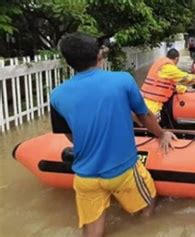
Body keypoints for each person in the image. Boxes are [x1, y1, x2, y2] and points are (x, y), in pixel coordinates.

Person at [50, 32, 177, 237]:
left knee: (92, 230)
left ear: (68, 62)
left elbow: (67, 132)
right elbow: (144, 115)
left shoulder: (57, 95)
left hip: (85, 175)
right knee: (148, 204)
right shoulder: (122, 81)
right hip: (123, 170)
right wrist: (162, 134)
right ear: (100, 55)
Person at [141, 49, 195, 116]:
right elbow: (186, 78)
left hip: (145, 99)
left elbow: (169, 85)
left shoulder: (159, 64)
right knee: (151, 124)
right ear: (177, 58)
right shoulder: (169, 68)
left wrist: (184, 89)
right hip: (153, 103)